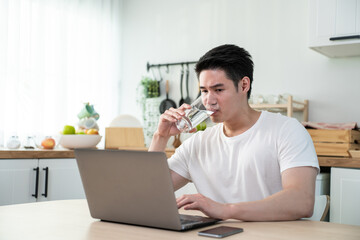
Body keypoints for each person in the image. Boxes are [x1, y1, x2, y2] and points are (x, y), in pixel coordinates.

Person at [149, 44, 319, 221]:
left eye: (218, 90)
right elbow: (152, 192)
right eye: (204, 91)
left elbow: (302, 202)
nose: (209, 101)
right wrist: (160, 136)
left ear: (244, 85)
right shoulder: (197, 143)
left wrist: (225, 210)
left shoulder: (286, 130)